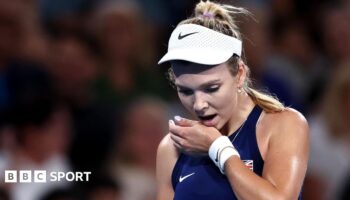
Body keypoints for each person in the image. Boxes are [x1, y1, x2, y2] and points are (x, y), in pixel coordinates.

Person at [156, 1, 309, 200]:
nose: (199, 104)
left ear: (240, 74)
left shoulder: (284, 125)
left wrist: (218, 148)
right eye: (185, 91)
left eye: (211, 88)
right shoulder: (171, 147)